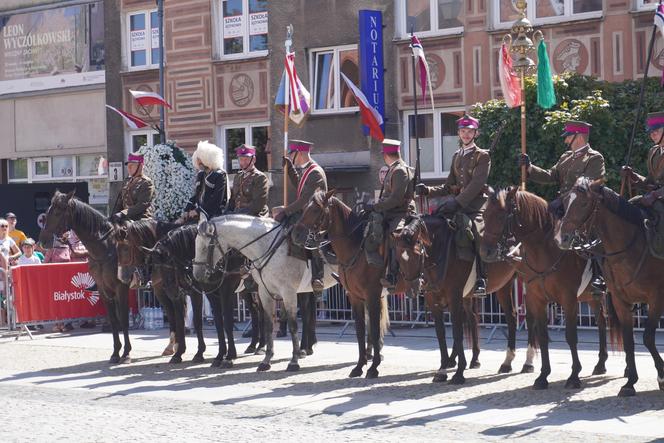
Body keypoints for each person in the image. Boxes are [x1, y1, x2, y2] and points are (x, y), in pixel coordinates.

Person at [518, 120, 606, 294]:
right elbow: (552, 175)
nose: (566, 141)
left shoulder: (594, 158)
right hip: (562, 208)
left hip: (584, 210)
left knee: (594, 237)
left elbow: (587, 185)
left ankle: (599, 276)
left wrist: (565, 199)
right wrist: (529, 168)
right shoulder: (566, 157)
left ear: (579, 137)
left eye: (569, 137)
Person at [416, 114, 490, 295]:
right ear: (458, 133)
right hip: (457, 205)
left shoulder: (483, 156)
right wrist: (428, 191)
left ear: (476, 133)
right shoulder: (457, 156)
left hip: (476, 206)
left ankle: (481, 278)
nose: (466, 135)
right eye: (463, 131)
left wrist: (457, 202)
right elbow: (449, 185)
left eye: (469, 131)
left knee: (476, 231)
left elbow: (475, 185)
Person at [272, 140, 327, 294]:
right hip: (306, 213)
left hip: (317, 216)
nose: (291, 156)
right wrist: (289, 169)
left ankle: (318, 277)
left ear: (300, 153)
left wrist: (285, 209)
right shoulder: (307, 170)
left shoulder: (315, 172)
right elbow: (301, 187)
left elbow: (305, 199)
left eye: (292, 154)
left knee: (312, 237)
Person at [226, 144, 269, 340]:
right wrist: (226, 214)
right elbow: (233, 200)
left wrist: (237, 216)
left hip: (255, 219)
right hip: (238, 219)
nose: (242, 161)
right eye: (241, 159)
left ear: (253, 159)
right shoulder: (238, 177)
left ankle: (253, 268)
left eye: (246, 159)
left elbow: (258, 204)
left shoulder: (260, 177)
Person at [364, 139, 416, 289]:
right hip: (391, 210)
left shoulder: (399, 170)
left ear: (386, 155)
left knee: (394, 235)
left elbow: (396, 198)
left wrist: (376, 206)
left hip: (399, 212)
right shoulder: (394, 168)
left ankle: (392, 274)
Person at [621, 111, 664, 252]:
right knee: (631, 204)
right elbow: (650, 180)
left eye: (656, 131)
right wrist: (633, 176)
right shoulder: (654, 151)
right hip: (655, 197)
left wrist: (654, 195)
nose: (652, 135)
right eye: (651, 132)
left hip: (659, 198)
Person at [180, 140, 229, 221]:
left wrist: (198, 211)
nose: (198, 162)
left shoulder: (220, 175)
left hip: (214, 214)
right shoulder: (201, 174)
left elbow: (217, 199)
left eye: (200, 159)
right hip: (199, 214)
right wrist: (186, 210)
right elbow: (196, 195)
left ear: (208, 158)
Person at [110, 153, 154, 222]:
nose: (129, 167)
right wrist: (113, 216)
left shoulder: (146, 182)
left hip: (141, 220)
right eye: (128, 165)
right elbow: (119, 202)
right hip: (126, 219)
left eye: (132, 165)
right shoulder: (126, 181)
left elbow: (142, 205)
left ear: (141, 166)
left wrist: (123, 213)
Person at [44, 231, 74, 332]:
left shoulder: (68, 248)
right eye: (60, 237)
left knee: (66, 301)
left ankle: (65, 323)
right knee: (57, 301)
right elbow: (44, 263)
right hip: (54, 280)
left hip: (66, 279)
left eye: (63, 237)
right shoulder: (51, 249)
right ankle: (58, 324)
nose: (61, 239)